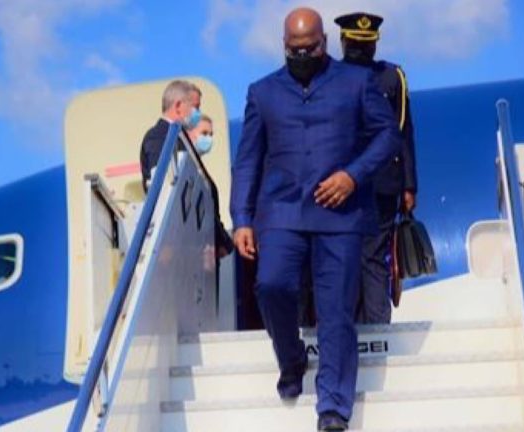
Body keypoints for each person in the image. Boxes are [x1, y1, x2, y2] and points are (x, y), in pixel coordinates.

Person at [230, 7, 400, 431]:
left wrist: (353, 175)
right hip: (282, 211)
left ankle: (333, 409)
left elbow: (387, 136)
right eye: (294, 50)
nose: (302, 55)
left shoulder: (357, 82)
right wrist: (242, 218)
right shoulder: (262, 92)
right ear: (283, 45)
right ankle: (291, 360)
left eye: (310, 48)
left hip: (340, 214)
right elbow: (247, 160)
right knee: (272, 285)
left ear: (324, 42)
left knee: (336, 310)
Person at [335, 12, 418, 324]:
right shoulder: (329, 77)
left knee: (371, 256)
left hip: (380, 182)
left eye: (365, 45)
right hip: (340, 185)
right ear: (345, 42)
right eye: (358, 45)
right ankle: (356, 328)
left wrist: (409, 184)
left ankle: (377, 330)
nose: (361, 51)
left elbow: (403, 131)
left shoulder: (391, 77)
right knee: (350, 257)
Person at [138, 80, 232, 258]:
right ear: (179, 106)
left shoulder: (180, 139)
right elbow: (166, 191)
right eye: (195, 107)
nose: (198, 113)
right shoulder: (160, 137)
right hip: (178, 247)